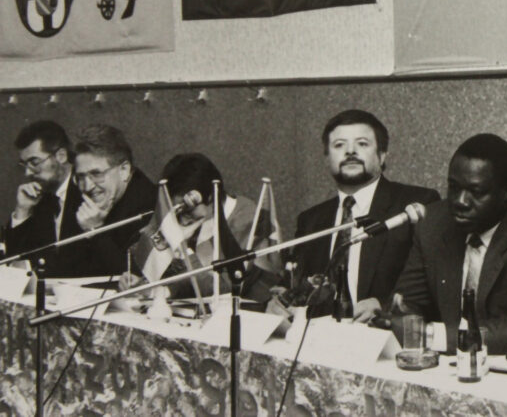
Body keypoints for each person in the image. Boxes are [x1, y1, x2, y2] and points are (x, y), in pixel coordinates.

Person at [392, 134, 507, 354]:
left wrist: (433, 336)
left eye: (476, 192)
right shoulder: (433, 222)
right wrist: (404, 318)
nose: (460, 201)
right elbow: (405, 304)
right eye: (453, 187)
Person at [290, 110, 439, 321]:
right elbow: (303, 284)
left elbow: (433, 282)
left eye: (362, 143)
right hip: (322, 339)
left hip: (387, 338)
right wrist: (285, 301)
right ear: (326, 157)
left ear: (382, 154)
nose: (350, 151)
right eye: (339, 145)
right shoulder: (311, 220)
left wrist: (383, 304)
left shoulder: (416, 204)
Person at [121, 153, 282, 303]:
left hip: (251, 312)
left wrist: (182, 248)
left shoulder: (249, 219)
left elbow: (225, 288)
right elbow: (187, 279)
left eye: (187, 210)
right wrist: (149, 288)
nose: (182, 218)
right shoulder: (202, 215)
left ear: (211, 196)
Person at [64, 124, 156, 277]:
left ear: (124, 170)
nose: (87, 186)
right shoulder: (84, 199)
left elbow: (134, 278)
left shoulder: (150, 204)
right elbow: (67, 268)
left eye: (96, 173)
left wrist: (95, 231)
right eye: (81, 177)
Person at [6, 121, 79, 272]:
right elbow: (14, 265)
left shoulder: (89, 188)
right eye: (24, 165)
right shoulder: (41, 197)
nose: (28, 173)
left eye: (34, 162)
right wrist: (22, 211)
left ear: (61, 155)